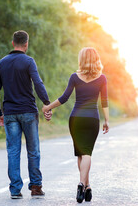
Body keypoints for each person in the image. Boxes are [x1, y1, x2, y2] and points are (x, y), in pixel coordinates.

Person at [42, 47, 109, 203]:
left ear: (82, 59)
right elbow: (104, 101)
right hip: (92, 119)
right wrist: (106, 120)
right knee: (86, 153)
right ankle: (83, 184)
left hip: (76, 119)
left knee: (81, 153)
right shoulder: (102, 78)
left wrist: (48, 107)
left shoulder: (74, 77)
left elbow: (64, 98)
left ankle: (86, 186)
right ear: (95, 59)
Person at [0, 30, 52, 199]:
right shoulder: (28, 61)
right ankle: (35, 187)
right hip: (28, 113)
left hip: (10, 114)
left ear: (12, 43)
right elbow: (38, 84)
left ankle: (15, 189)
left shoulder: (2, 63)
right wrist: (46, 104)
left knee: (13, 151)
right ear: (26, 44)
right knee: (33, 150)